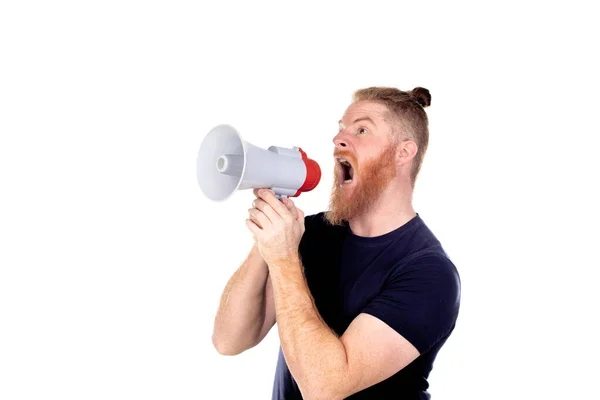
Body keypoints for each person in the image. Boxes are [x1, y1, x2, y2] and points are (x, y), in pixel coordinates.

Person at [211, 86, 461, 399]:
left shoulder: (429, 273)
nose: (338, 139)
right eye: (341, 128)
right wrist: (266, 241)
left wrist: (284, 258)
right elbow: (229, 340)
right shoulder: (313, 233)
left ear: (403, 153)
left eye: (362, 129)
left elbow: (325, 388)